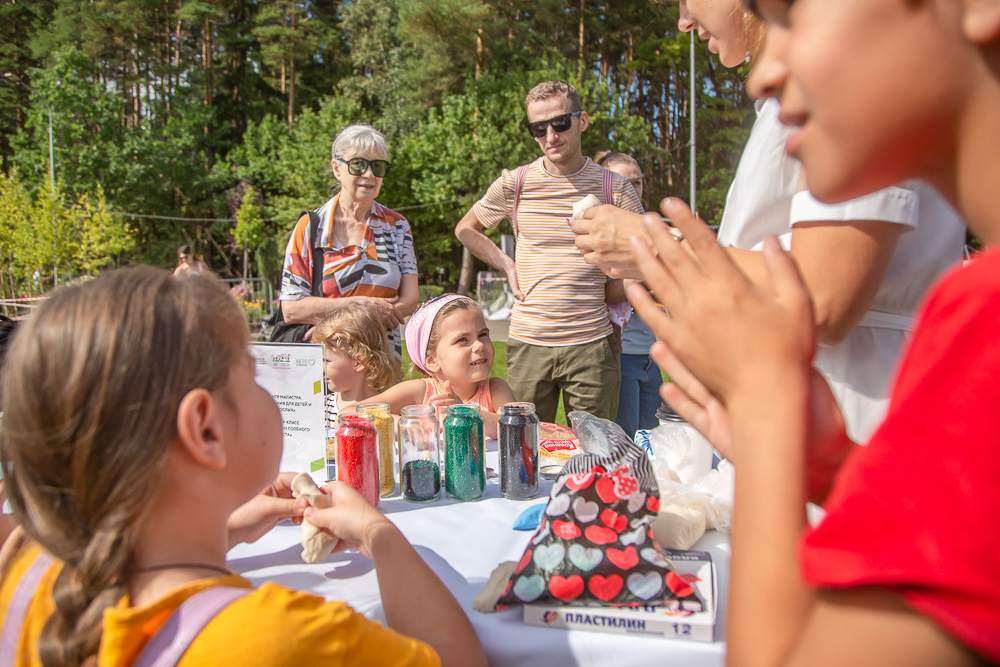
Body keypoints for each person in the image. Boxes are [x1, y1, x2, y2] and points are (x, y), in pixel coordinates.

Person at [627, 0, 1000, 662]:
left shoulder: (984, 320)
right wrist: (836, 469)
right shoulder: (970, 302)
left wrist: (766, 404)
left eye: (794, 14)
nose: (763, 72)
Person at [0, 267, 486, 666]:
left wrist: (221, 526)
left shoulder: (27, 564)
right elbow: (456, 660)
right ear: (206, 429)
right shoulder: (284, 638)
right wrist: (380, 536)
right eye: (255, 376)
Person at [572, 3, 966, 443]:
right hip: (802, 419)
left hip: (862, 411)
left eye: (686, 1)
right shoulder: (801, 88)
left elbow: (824, 297)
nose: (683, 22)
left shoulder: (846, 69)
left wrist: (656, 247)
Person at [454, 80, 645, 423]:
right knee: (524, 452)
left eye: (560, 123)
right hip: (528, 342)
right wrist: (505, 263)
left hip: (592, 343)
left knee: (596, 453)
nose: (550, 136)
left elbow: (645, 254)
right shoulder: (516, 183)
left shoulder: (612, 186)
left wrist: (616, 278)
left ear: (582, 120)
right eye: (538, 128)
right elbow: (465, 229)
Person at [278, 124, 419, 354]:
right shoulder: (311, 227)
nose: (369, 174)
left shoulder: (397, 226)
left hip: (383, 365)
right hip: (328, 368)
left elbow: (410, 300)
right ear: (336, 168)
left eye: (378, 166)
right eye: (358, 164)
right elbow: (291, 309)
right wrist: (358, 309)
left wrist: (343, 320)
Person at [369, 295, 515, 439]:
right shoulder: (421, 392)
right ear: (432, 360)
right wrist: (405, 425)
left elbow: (515, 429)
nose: (479, 345)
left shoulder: (495, 389)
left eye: (483, 334)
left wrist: (467, 413)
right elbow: (354, 411)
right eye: (462, 339)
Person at [594, 152, 662, 439]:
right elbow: (606, 292)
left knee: (655, 442)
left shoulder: (649, 230)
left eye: (638, 182)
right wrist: (652, 273)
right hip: (622, 358)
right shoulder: (600, 234)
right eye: (626, 183)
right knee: (625, 444)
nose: (635, 190)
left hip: (653, 354)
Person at [312, 302, 401, 423]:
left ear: (358, 362)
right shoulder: (319, 408)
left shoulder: (389, 409)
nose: (320, 368)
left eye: (326, 361)